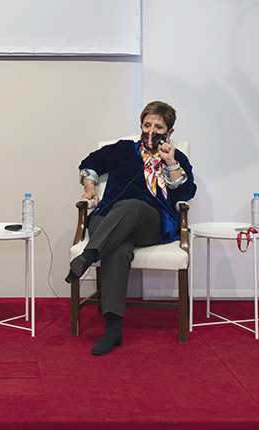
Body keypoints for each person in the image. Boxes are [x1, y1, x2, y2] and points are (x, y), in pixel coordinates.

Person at [68, 101, 196, 355]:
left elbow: (186, 193)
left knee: (133, 205)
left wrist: (170, 163)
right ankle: (113, 328)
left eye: (158, 127)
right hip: (107, 220)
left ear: (169, 132)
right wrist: (90, 188)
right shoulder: (123, 149)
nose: (151, 130)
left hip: (150, 224)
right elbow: (90, 163)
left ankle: (89, 255)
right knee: (118, 248)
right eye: (147, 125)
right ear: (140, 125)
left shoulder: (176, 157)